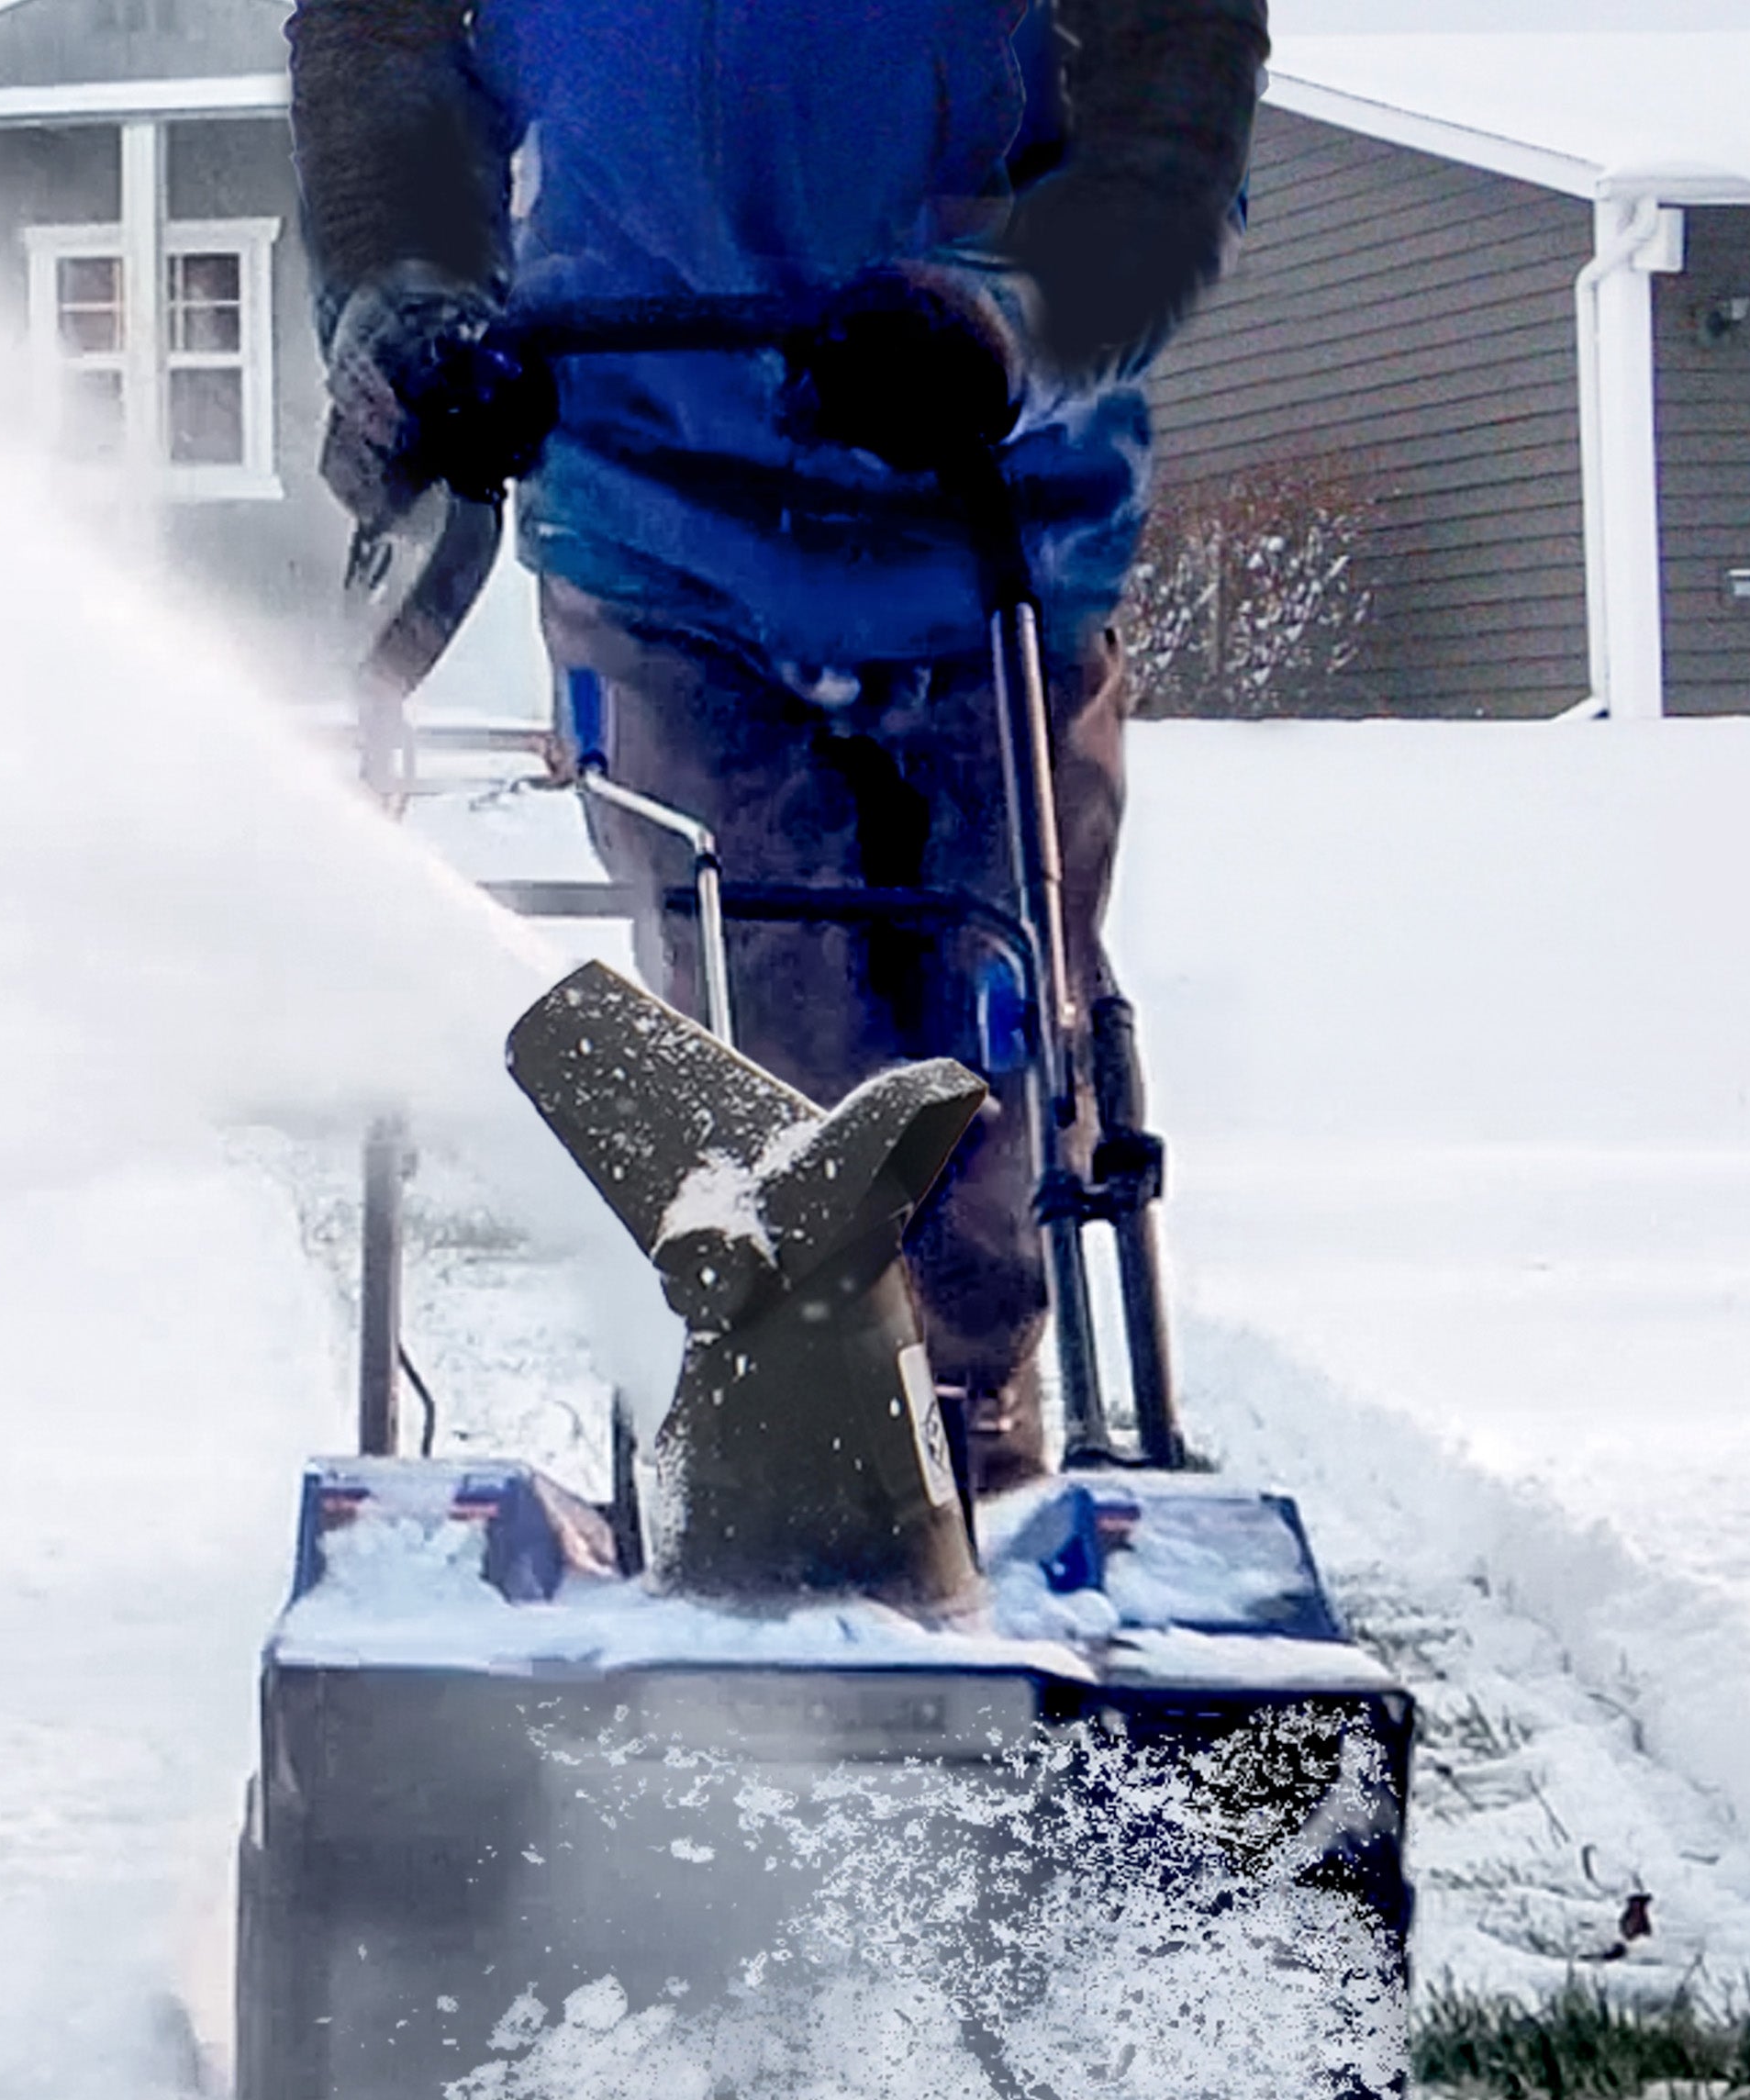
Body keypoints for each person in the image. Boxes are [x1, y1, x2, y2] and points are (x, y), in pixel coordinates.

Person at [288, 0, 1266, 1488]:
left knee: (985, 1063)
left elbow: (1168, 141)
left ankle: (968, 1458)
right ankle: (789, 1462)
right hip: (657, 528)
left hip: (993, 521)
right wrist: (405, 293)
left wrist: (1006, 317)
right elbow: (384, 48)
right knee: (767, 1024)